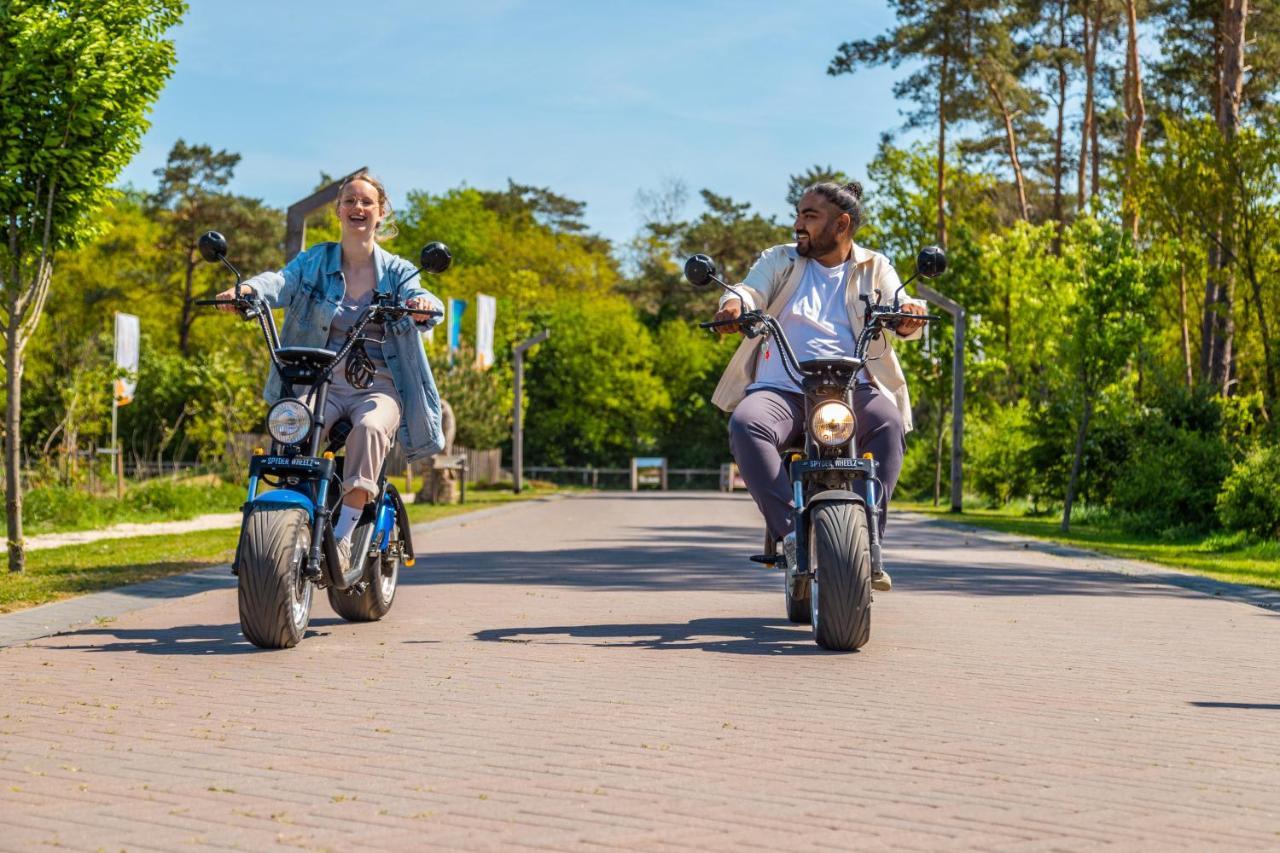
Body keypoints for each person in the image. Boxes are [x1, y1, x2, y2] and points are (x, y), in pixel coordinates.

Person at [215, 174, 445, 570]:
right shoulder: (314, 262)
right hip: (319, 381)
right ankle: (291, 518)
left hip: (379, 385)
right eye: (350, 201)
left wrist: (422, 303)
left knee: (371, 428)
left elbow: (423, 298)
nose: (358, 208)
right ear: (339, 210)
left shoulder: (398, 271)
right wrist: (248, 291)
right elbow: (280, 282)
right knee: (290, 421)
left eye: (367, 202)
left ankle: (344, 535)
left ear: (381, 212)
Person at [709, 181, 926, 591]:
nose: (798, 225)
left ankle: (867, 541)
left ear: (842, 224)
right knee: (746, 425)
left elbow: (901, 302)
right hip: (783, 389)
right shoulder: (781, 260)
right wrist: (733, 305)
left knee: (888, 424)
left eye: (810, 216)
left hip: (853, 388)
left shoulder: (874, 266)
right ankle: (792, 535)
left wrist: (910, 313)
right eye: (798, 214)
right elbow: (749, 290)